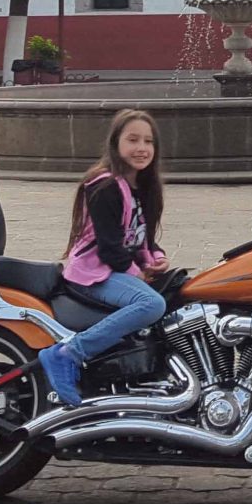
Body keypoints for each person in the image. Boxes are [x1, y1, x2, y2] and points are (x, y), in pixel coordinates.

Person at [35, 108, 172, 405]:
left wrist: (156, 258)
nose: (141, 148)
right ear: (116, 143)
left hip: (116, 268)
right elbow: (111, 249)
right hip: (93, 272)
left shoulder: (143, 187)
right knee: (151, 303)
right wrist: (140, 276)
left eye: (148, 141)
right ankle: (69, 352)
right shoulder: (105, 185)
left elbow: (142, 238)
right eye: (133, 139)